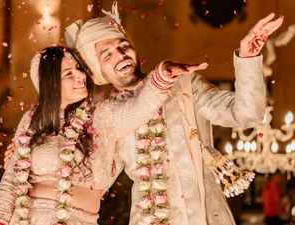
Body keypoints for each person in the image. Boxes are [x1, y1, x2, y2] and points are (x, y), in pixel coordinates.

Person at [63, 2, 284, 225]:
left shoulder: (184, 84)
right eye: (107, 54)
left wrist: (247, 58)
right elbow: (95, 183)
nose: (120, 55)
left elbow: (248, 115)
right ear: (97, 69)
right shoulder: (108, 117)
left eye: (123, 45)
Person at [0, 44, 205, 225]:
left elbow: (138, 109)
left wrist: (163, 77)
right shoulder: (32, 120)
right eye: (68, 73)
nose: (80, 76)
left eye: (79, 69)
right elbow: (11, 181)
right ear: (50, 84)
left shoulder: (101, 116)